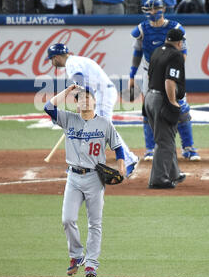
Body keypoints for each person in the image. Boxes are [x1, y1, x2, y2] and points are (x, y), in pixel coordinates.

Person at [44, 84, 126, 277]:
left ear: (95, 101)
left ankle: (91, 263)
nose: (85, 100)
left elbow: (118, 147)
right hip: (73, 178)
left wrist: (121, 167)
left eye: (89, 97)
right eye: (81, 98)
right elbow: (48, 107)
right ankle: (77, 255)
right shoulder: (68, 119)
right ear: (76, 103)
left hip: (95, 179)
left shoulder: (105, 124)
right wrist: (68, 90)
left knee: (95, 223)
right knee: (68, 219)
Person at [46, 43, 139, 177]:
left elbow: (79, 80)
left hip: (102, 94)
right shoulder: (75, 60)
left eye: (51, 59)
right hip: (100, 93)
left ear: (56, 57)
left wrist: (82, 101)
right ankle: (82, 162)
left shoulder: (71, 64)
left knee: (103, 127)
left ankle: (130, 160)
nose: (52, 62)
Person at [129, 0, 201, 162]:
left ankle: (188, 147)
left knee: (181, 108)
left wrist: (173, 71)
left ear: (163, 9)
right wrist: (132, 75)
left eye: (155, 9)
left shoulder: (175, 28)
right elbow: (137, 54)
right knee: (149, 110)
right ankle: (150, 148)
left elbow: (182, 52)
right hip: (149, 72)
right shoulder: (141, 29)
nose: (152, 13)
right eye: (149, 10)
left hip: (171, 72)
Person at [144, 28, 187, 189]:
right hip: (162, 99)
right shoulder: (176, 55)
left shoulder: (157, 51)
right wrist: (172, 102)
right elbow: (170, 80)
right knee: (165, 141)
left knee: (166, 138)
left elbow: (150, 75)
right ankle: (158, 179)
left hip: (150, 97)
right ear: (179, 42)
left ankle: (173, 173)